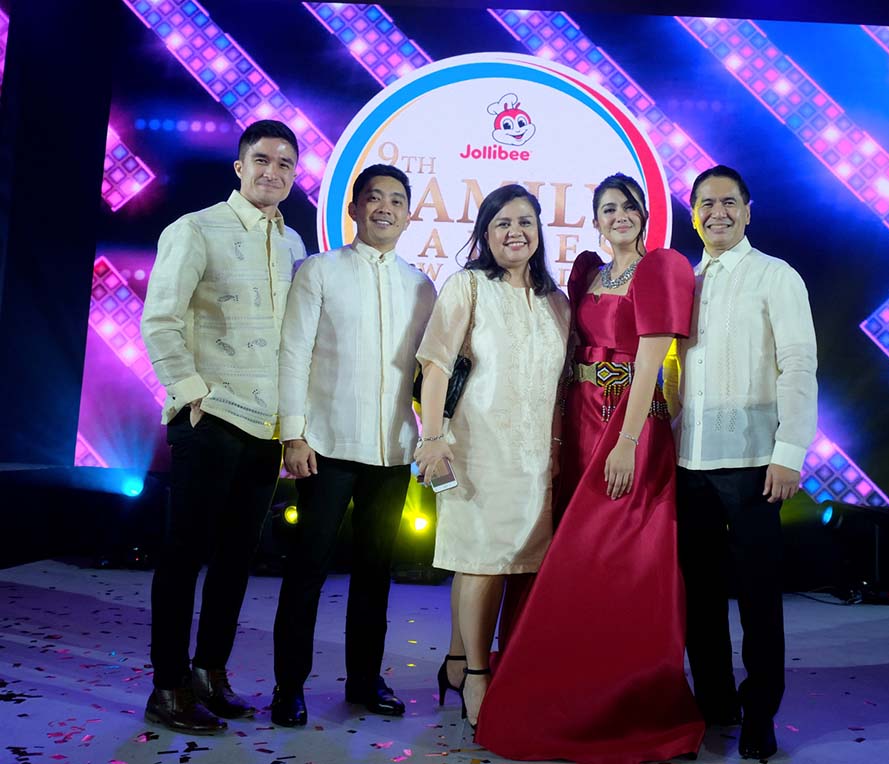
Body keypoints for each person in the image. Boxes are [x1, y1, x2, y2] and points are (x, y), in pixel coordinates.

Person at [475, 173, 705, 763]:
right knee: (567, 554)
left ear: (643, 214)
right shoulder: (586, 273)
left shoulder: (661, 268)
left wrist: (627, 441)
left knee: (617, 554)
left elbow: (652, 356)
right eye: (608, 209)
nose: (618, 216)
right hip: (579, 424)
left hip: (630, 426)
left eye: (628, 207)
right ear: (596, 221)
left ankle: (621, 691)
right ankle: (556, 677)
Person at [140, 120, 306, 733]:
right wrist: (192, 395)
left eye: (285, 164)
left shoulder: (293, 245)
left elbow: (294, 343)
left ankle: (210, 671)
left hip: (263, 426)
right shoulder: (195, 228)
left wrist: (292, 425)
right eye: (262, 160)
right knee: (185, 557)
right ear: (239, 166)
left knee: (237, 559)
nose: (273, 172)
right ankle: (169, 684)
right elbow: (159, 320)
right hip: (210, 417)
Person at [269, 164, 435, 726]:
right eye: (373, 199)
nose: (384, 208)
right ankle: (288, 686)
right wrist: (293, 432)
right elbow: (293, 354)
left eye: (396, 200)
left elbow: (427, 373)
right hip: (325, 445)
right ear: (355, 209)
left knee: (374, 573)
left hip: (391, 452)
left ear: (409, 214)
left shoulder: (421, 284)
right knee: (307, 570)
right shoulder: (318, 271)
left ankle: (365, 680)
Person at [414, 184, 570, 730]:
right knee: (480, 561)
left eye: (525, 222)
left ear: (539, 232)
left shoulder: (557, 301)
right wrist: (431, 437)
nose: (515, 232)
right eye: (502, 222)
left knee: (518, 566)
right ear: (484, 231)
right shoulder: (468, 286)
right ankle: (476, 675)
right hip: (477, 450)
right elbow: (435, 365)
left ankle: (459, 661)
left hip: (536, 459)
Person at [675, 165, 818, 760]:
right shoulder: (684, 278)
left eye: (729, 203)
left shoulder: (775, 276)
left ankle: (761, 712)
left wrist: (789, 452)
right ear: (693, 215)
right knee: (700, 595)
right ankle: (714, 702)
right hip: (689, 463)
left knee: (759, 597)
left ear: (748, 210)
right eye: (706, 205)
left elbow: (799, 366)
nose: (718, 214)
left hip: (757, 463)